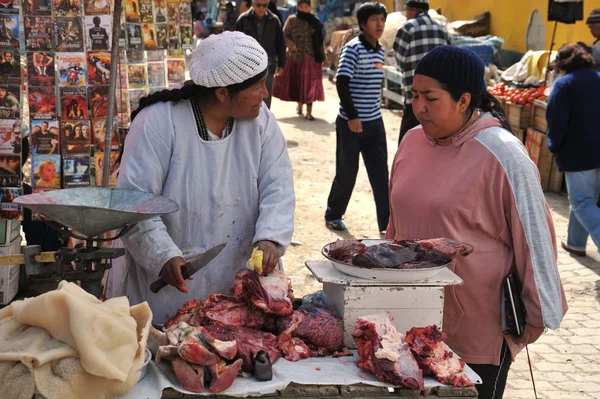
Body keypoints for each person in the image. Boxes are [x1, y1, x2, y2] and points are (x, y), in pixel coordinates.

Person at [385, 46, 567, 398]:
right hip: (407, 320)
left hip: (474, 331)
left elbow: (535, 238)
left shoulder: (504, 153)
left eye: (430, 98)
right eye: (415, 95)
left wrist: (533, 318)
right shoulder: (411, 141)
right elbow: (395, 224)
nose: (417, 107)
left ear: (464, 100)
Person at [105, 31, 295, 325]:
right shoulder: (158, 123)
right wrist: (163, 255)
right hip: (168, 292)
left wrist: (271, 237)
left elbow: (278, 185)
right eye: (258, 86)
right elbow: (134, 203)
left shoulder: (261, 121)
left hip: (239, 284)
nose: (265, 94)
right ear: (222, 93)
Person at [324, 2, 389, 233]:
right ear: (363, 24)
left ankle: (387, 224)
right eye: (374, 20)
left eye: (382, 19)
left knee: (381, 175)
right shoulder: (353, 49)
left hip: (374, 123)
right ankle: (333, 214)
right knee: (347, 172)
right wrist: (352, 116)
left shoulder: (380, 50)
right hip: (351, 124)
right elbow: (342, 82)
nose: (379, 24)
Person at [546, 44, 600, 257]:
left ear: (562, 64)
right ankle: (575, 243)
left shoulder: (564, 85)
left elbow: (556, 121)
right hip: (595, 152)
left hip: (579, 152)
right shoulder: (597, 77)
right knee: (586, 199)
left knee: (582, 201)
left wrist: (554, 146)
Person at [393, 0, 449, 143]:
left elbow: (399, 61)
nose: (406, 15)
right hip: (440, 96)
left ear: (413, 10)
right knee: (438, 140)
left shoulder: (406, 28)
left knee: (409, 140)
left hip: (415, 97)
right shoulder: (442, 29)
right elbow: (450, 57)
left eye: (406, 11)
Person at [273, 0, 324, 120]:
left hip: (312, 58)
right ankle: (300, 105)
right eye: (301, 6)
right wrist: (291, 45)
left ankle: (309, 112)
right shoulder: (292, 20)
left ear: (309, 8)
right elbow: (284, 35)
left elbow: (320, 39)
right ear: (298, 7)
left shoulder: (315, 21)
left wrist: (323, 55)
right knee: (298, 82)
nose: (304, 9)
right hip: (296, 58)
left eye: (306, 6)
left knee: (310, 84)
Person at [235, 0, 286, 109]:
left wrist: (282, 64)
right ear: (253, 4)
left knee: (265, 96)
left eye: (264, 5)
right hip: (247, 65)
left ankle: (264, 123)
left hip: (268, 64)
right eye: (258, 5)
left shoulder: (274, 20)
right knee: (247, 94)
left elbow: (280, 43)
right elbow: (235, 43)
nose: (261, 8)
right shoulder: (243, 20)